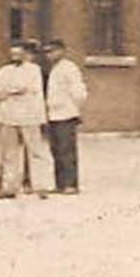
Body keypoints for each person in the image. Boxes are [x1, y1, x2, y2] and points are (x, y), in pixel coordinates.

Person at [0, 41, 52, 199]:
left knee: (35, 151)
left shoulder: (34, 70)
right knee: (9, 153)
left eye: (18, 53)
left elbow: (27, 88)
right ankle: (10, 186)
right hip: (8, 116)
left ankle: (40, 186)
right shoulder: (4, 71)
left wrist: (9, 91)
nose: (15, 57)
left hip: (29, 115)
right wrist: (12, 91)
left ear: (24, 54)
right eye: (13, 54)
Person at [42, 39, 87, 194]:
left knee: (66, 150)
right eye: (47, 52)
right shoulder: (53, 69)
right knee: (56, 150)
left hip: (66, 114)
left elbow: (78, 91)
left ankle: (71, 184)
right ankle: (60, 183)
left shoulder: (69, 68)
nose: (49, 55)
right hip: (53, 115)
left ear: (62, 51)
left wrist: (75, 109)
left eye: (53, 51)